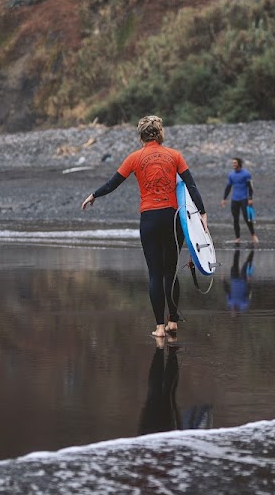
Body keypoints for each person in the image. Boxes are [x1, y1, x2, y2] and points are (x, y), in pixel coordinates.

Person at [81, 115, 208, 339]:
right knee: (171, 272)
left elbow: (113, 183)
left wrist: (94, 195)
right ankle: (173, 322)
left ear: (140, 136)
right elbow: (191, 185)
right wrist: (203, 214)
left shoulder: (134, 158)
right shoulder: (175, 155)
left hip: (149, 219)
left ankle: (159, 327)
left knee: (155, 275)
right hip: (172, 217)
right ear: (160, 134)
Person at [220, 156, 257, 244]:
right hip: (235, 199)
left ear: (239, 164)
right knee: (235, 219)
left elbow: (250, 187)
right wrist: (224, 198)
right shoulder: (231, 175)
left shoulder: (246, 174)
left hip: (244, 199)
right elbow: (228, 187)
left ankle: (253, 235)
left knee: (247, 218)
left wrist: (250, 198)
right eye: (233, 163)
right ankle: (237, 237)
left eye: (235, 163)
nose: (233, 164)